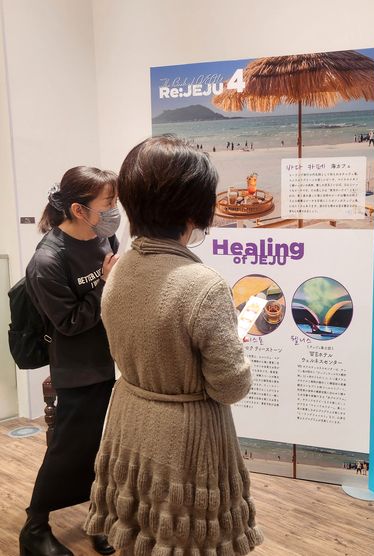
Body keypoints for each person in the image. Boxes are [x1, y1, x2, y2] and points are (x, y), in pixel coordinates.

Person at [84, 135, 263, 554]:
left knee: (140, 532)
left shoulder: (120, 269)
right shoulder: (202, 285)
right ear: (194, 209)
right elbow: (230, 386)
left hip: (129, 421)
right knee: (186, 540)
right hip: (188, 437)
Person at [19, 167, 121, 556]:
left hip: (114, 362)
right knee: (68, 450)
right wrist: (105, 286)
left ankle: (100, 516)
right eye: (108, 203)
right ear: (80, 209)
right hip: (79, 369)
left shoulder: (103, 236)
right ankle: (35, 526)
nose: (114, 211)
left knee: (105, 449)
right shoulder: (47, 261)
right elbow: (69, 323)